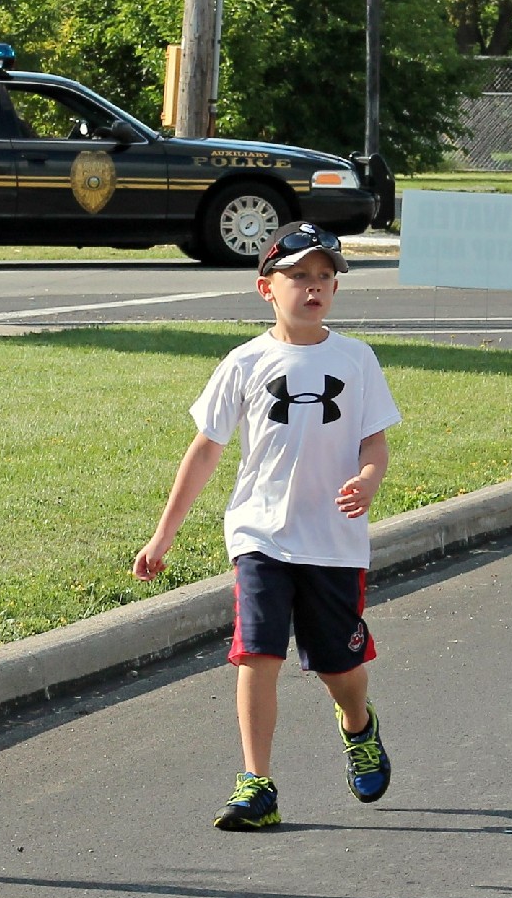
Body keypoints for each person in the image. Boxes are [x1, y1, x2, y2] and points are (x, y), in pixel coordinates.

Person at [132, 221, 401, 831]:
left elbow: (374, 442)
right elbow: (206, 449)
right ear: (266, 288)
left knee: (338, 667)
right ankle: (257, 784)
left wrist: (368, 480)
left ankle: (358, 725)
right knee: (256, 652)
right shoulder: (245, 362)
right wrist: (163, 534)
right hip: (260, 535)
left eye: (324, 276)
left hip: (333, 541)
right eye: (298, 276)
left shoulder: (357, 359)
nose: (314, 286)